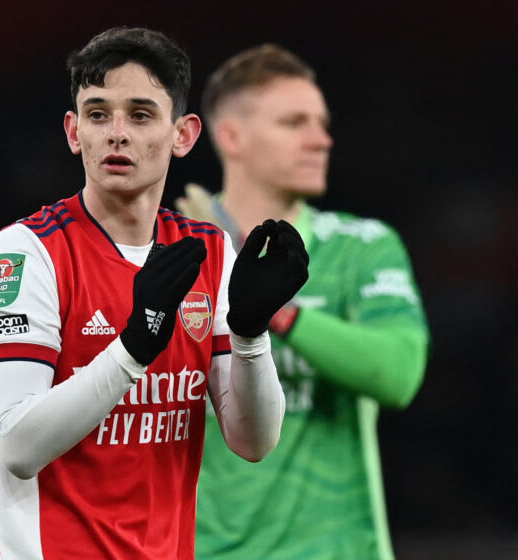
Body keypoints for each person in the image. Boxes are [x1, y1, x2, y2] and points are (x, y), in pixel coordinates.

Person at [0, 27, 309, 559]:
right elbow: (16, 445)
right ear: (74, 131)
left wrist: (250, 335)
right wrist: (132, 349)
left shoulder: (208, 252)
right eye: (98, 114)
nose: (116, 133)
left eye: (141, 115)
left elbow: (254, 441)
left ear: (183, 134)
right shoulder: (26, 255)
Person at [175, 44, 430, 559]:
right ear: (232, 137)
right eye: (295, 122)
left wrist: (273, 305)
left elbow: (398, 373)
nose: (322, 139)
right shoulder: (174, 257)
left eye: (322, 122)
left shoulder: (361, 247)